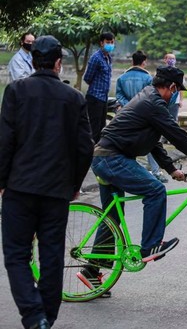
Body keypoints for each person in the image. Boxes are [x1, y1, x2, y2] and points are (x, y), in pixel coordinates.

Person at [81, 66, 187, 291]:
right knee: (155, 190)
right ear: (172, 87)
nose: (175, 94)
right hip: (112, 159)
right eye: (176, 90)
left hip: (104, 158)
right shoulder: (154, 103)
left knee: (112, 217)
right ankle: (151, 246)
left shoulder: (147, 98)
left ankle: (92, 269)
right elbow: (177, 134)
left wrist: (172, 169)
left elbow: (154, 142)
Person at [0, 35, 93, 329]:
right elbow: (85, 147)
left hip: (19, 187)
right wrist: (75, 184)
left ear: (32, 60)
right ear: (57, 63)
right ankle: (47, 317)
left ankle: (33, 315)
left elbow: (5, 141)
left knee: (16, 254)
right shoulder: (75, 98)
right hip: (56, 191)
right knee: (52, 255)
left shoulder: (15, 91)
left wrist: (2, 181)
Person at [115, 51, 167, 183]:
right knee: (151, 142)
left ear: (132, 61)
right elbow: (151, 96)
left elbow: (119, 96)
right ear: (144, 62)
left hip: (127, 115)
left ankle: (130, 173)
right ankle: (155, 171)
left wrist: (128, 106)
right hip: (144, 115)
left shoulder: (122, 78)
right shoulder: (148, 78)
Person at [83, 32, 115, 143]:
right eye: (107, 42)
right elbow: (87, 78)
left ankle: (97, 154)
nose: (110, 44)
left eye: (112, 42)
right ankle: (90, 155)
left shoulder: (109, 58)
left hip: (104, 98)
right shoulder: (96, 58)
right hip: (94, 97)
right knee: (94, 129)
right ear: (101, 43)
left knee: (102, 128)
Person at [163, 53, 182, 121]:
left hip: (175, 101)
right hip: (163, 100)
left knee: (173, 120)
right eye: (170, 58)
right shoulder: (161, 71)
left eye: (173, 59)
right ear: (165, 60)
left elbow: (180, 87)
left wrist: (180, 100)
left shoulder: (178, 72)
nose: (172, 60)